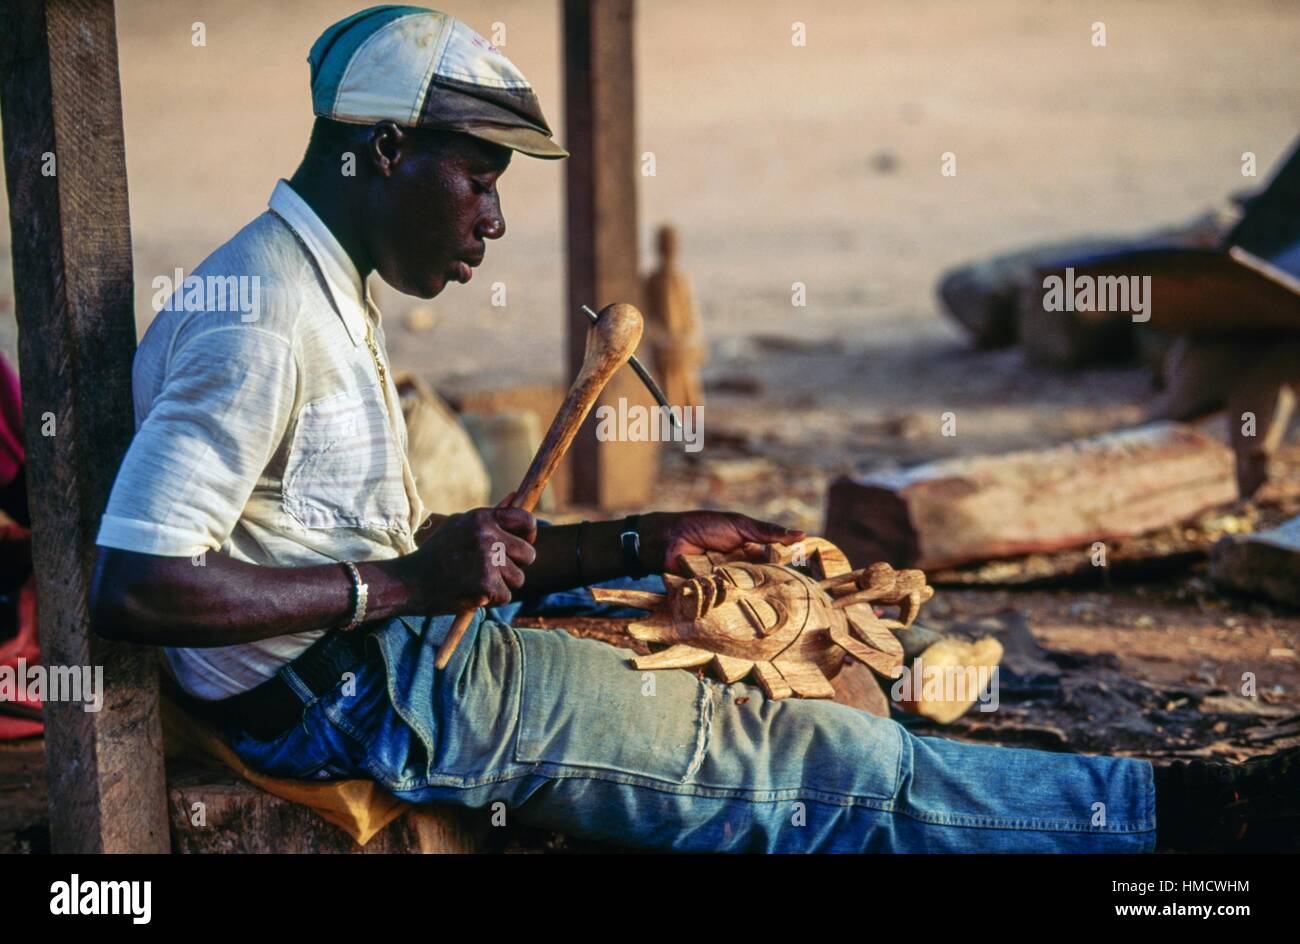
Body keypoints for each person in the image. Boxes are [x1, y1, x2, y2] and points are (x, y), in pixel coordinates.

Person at [88, 6, 1297, 853]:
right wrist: (402, 576)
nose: (495, 223)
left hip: (369, 649)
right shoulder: (259, 318)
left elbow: (389, 559)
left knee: (726, 648)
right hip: (353, 696)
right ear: (387, 150)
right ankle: (1177, 826)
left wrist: (636, 538)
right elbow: (136, 585)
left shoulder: (317, 283)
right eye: (481, 179)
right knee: (804, 773)